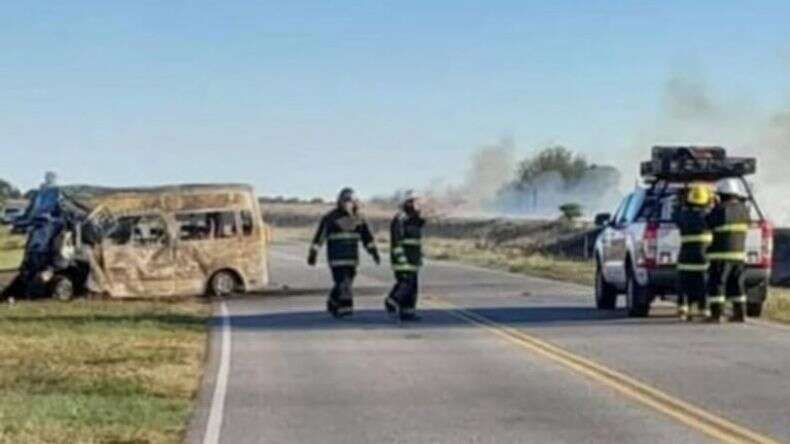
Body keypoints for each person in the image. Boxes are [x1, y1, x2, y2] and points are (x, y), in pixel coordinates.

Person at [308, 187, 380, 318]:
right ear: (339, 201)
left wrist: (374, 252)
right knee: (343, 282)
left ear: (355, 202)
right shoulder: (330, 218)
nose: (347, 203)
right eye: (345, 200)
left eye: (350, 201)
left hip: (352, 259)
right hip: (336, 258)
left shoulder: (359, 218)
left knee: (346, 283)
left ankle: (333, 301)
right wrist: (313, 253)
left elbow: (367, 238)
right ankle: (345, 307)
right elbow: (320, 237)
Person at [706, 178, 751, 323]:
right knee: (737, 285)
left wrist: (711, 206)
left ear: (721, 195)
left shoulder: (720, 209)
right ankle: (740, 314)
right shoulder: (744, 210)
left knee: (718, 284)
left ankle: (717, 315)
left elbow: (707, 223)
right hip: (739, 256)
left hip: (721, 256)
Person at [385, 191, 426, 321]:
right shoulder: (400, 219)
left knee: (413, 287)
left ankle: (408, 313)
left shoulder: (413, 219)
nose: (417, 204)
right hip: (403, 259)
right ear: (407, 203)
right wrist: (401, 259)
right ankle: (392, 300)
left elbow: (420, 223)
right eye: (415, 201)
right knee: (405, 283)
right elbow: (396, 241)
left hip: (413, 259)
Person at [674, 184, 713, 321]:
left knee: (684, 284)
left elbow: (675, 215)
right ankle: (704, 309)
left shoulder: (684, 216)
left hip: (685, 257)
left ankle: (683, 309)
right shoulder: (709, 216)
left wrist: (679, 203)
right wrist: (713, 201)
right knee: (704, 284)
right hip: (703, 257)